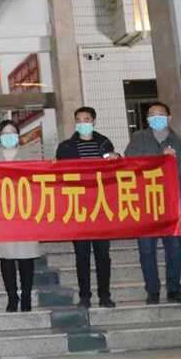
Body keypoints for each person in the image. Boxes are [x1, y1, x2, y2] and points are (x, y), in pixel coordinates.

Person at [124, 102, 181, 305]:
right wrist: (160, 157)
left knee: (174, 248)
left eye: (160, 115)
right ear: (147, 120)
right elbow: (130, 162)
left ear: (169, 118)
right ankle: (152, 291)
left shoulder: (178, 143)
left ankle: (174, 290)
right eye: (152, 115)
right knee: (146, 249)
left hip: (171, 203)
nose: (156, 119)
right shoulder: (138, 138)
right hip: (146, 203)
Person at [55, 107, 120, 309]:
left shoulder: (104, 143)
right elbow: (59, 177)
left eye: (86, 119)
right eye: (79, 120)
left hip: (101, 207)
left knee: (103, 254)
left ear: (94, 122)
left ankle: (104, 295)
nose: (82, 123)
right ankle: (85, 296)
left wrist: (116, 158)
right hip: (78, 207)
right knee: (82, 255)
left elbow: (115, 172)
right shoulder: (66, 147)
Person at [0, 120, 41, 313]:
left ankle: (26, 296)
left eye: (12, 132)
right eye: (5, 132)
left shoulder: (31, 155)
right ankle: (12, 297)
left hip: (26, 213)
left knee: (26, 258)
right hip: (2, 214)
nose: (9, 135)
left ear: (18, 135)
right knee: (6, 258)